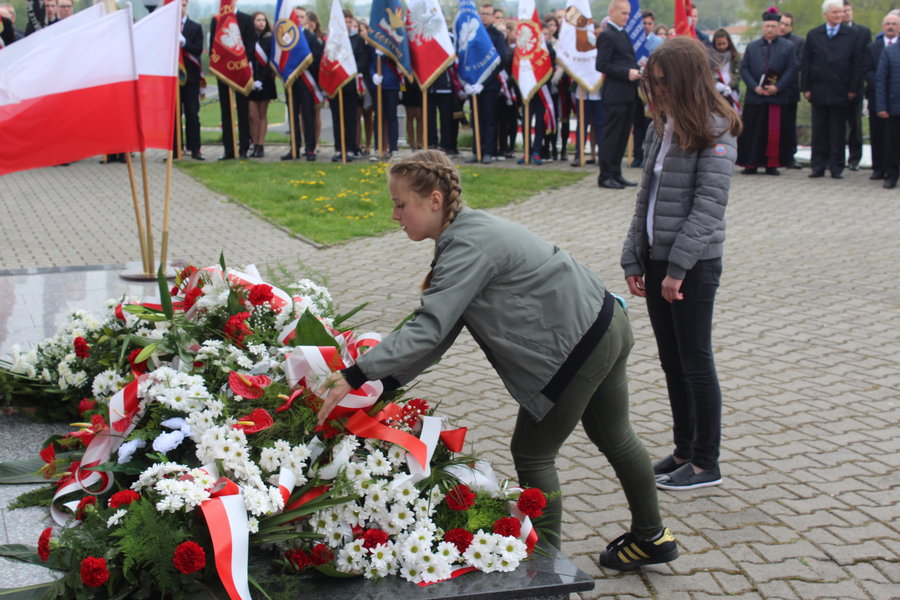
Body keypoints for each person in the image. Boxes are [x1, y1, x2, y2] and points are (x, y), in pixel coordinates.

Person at [315, 148, 680, 571]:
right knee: (615, 434)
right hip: (606, 322)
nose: (395, 216)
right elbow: (440, 333)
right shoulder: (467, 232)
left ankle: (546, 571)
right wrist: (381, 383)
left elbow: (429, 328)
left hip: (579, 346)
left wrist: (355, 373)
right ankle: (653, 537)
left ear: (434, 200)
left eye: (401, 205)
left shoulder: (466, 245)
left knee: (532, 453)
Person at [622, 36, 741, 491]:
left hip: (691, 266)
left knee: (695, 360)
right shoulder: (661, 127)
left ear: (686, 80)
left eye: (662, 83)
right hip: (656, 262)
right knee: (672, 361)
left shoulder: (716, 129)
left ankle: (705, 461)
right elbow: (645, 200)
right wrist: (634, 254)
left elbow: (708, 208)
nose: (656, 92)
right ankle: (684, 449)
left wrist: (676, 271)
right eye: (653, 84)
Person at [801, 0, 864, 179]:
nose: (839, 15)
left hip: (841, 90)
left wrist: (853, 88)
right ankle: (818, 166)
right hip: (818, 89)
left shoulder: (852, 35)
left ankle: (836, 166)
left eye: (841, 12)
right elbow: (807, 63)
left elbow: (857, 64)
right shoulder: (814, 34)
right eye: (835, 13)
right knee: (819, 130)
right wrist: (806, 87)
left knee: (837, 130)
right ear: (826, 14)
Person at [736, 9, 798, 176]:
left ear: (779, 28)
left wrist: (778, 87)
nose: (770, 29)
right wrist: (754, 86)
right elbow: (744, 68)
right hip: (755, 97)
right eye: (767, 26)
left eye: (773, 26)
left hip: (776, 97)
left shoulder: (788, 47)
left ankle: (772, 165)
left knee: (774, 133)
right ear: (763, 27)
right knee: (752, 132)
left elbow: (792, 69)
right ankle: (750, 163)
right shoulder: (752, 46)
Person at [595, 0, 641, 190]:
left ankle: (616, 173)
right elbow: (602, 64)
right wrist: (626, 73)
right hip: (615, 93)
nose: (627, 17)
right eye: (623, 13)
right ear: (612, 12)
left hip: (628, 93)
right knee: (612, 136)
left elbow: (626, 59)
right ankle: (605, 176)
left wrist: (637, 70)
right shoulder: (607, 35)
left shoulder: (622, 34)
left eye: (629, 14)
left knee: (622, 136)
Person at [465, 3, 508, 164]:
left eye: (488, 14)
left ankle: (488, 151)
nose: (485, 17)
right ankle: (477, 151)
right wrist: (468, 80)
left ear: (492, 16)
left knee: (489, 118)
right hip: (474, 83)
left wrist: (484, 82)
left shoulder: (497, 35)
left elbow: (500, 61)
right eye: (482, 13)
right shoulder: (472, 32)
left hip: (489, 85)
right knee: (476, 118)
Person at [210, 8, 255, 160]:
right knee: (226, 110)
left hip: (241, 71)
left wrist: (239, 63)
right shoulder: (217, 19)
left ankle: (243, 147)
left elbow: (250, 45)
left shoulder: (246, 19)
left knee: (243, 109)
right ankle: (228, 149)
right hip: (223, 71)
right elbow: (213, 47)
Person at [282, 6, 324, 162]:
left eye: (301, 17)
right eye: (296, 16)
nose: (298, 19)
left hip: (307, 82)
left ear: (306, 19)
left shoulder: (311, 38)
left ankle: (310, 148)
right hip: (291, 82)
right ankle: (294, 147)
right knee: (293, 116)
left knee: (308, 116)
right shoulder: (285, 37)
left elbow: (317, 60)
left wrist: (301, 66)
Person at [865, 12, 900, 181]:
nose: (891, 27)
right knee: (888, 140)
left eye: (895, 24)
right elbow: (878, 77)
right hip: (889, 102)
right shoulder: (885, 50)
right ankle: (888, 172)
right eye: (888, 23)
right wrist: (882, 105)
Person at [842, 1, 871, 171]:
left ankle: (854, 158)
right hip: (837, 85)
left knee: (855, 124)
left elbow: (865, 60)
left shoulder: (863, 32)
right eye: (842, 11)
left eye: (848, 11)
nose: (845, 14)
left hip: (856, 86)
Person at [248, 12, 277, 158]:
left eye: (263, 20)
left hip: (265, 82)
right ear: (252, 22)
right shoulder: (248, 38)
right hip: (250, 82)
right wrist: (251, 79)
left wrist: (262, 79)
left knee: (261, 114)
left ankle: (260, 145)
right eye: (258, 20)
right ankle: (254, 144)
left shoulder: (270, 39)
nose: (261, 22)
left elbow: (271, 62)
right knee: (252, 115)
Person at [179, 0, 204, 160]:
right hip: (173, 77)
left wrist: (185, 43)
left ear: (186, 5)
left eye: (182, 4)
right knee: (174, 115)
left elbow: (198, 50)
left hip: (191, 77)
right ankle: (175, 149)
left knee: (192, 114)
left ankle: (195, 149)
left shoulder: (195, 27)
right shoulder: (167, 27)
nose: (180, 8)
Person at [875, 28, 900, 189]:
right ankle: (891, 175)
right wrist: (881, 106)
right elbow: (881, 80)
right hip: (894, 106)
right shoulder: (889, 51)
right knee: (892, 144)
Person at [779, 12, 805, 169]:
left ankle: (789, 156)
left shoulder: (799, 42)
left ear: (791, 26)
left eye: (786, 24)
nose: (782, 27)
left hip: (789, 91)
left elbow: (798, 64)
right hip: (771, 91)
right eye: (781, 23)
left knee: (789, 126)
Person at [709, 29, 741, 112]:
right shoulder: (710, 57)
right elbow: (708, 74)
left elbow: (738, 75)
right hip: (716, 90)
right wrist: (716, 84)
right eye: (719, 44)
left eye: (724, 44)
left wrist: (730, 86)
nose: (722, 47)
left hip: (731, 90)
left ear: (729, 43)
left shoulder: (735, 57)